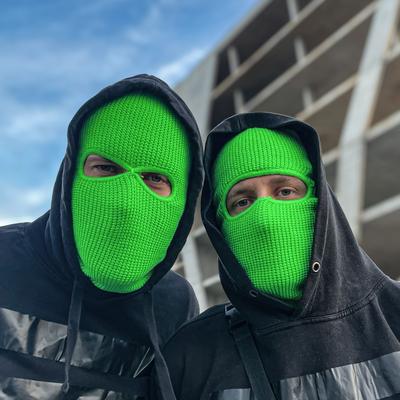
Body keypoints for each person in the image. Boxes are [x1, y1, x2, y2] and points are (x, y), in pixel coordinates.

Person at [156, 112, 400, 399]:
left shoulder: (393, 312)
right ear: (220, 227)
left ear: (320, 202)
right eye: (242, 201)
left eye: (285, 191)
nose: (264, 220)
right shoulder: (192, 355)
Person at [0, 74, 203, 399]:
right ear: (70, 176)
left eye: (154, 178)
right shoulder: (5, 257)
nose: (125, 202)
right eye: (107, 168)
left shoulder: (173, 303)